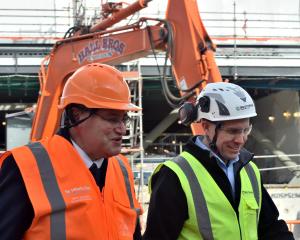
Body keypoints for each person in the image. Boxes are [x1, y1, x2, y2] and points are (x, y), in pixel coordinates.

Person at [0, 63, 143, 240]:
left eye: (124, 120)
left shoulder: (122, 168)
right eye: (112, 119)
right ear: (77, 115)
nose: (122, 129)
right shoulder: (26, 167)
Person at [143, 82, 294, 240]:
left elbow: (270, 228)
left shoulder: (249, 170)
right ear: (206, 126)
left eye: (245, 130)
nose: (241, 140)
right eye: (232, 131)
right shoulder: (174, 176)